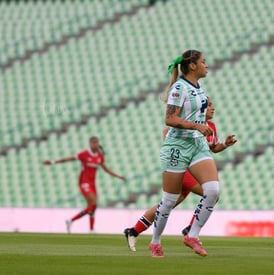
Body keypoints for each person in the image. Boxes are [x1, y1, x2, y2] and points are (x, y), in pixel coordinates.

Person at [123, 97, 237, 252]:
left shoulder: (211, 126)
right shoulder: (190, 122)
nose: (213, 108)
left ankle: (134, 230)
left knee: (168, 204)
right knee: (210, 194)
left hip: (194, 171)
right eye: (209, 105)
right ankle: (190, 231)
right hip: (183, 168)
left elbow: (213, 148)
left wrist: (225, 144)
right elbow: (167, 131)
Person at [144, 49, 221, 258]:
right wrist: (197, 126)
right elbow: (169, 119)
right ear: (193, 66)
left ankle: (192, 235)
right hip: (177, 146)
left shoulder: (200, 87)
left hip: (197, 145)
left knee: (213, 190)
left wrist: (215, 138)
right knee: (169, 200)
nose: (207, 65)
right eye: (203, 62)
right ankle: (155, 241)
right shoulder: (179, 88)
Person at [43, 136, 126, 233]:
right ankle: (71, 220)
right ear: (90, 144)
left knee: (92, 206)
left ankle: (90, 229)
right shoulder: (84, 154)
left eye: (96, 142)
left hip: (92, 184)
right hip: (84, 182)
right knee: (94, 204)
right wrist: (53, 162)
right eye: (93, 142)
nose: (95, 144)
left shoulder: (100, 156)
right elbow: (70, 159)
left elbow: (106, 169)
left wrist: (119, 176)